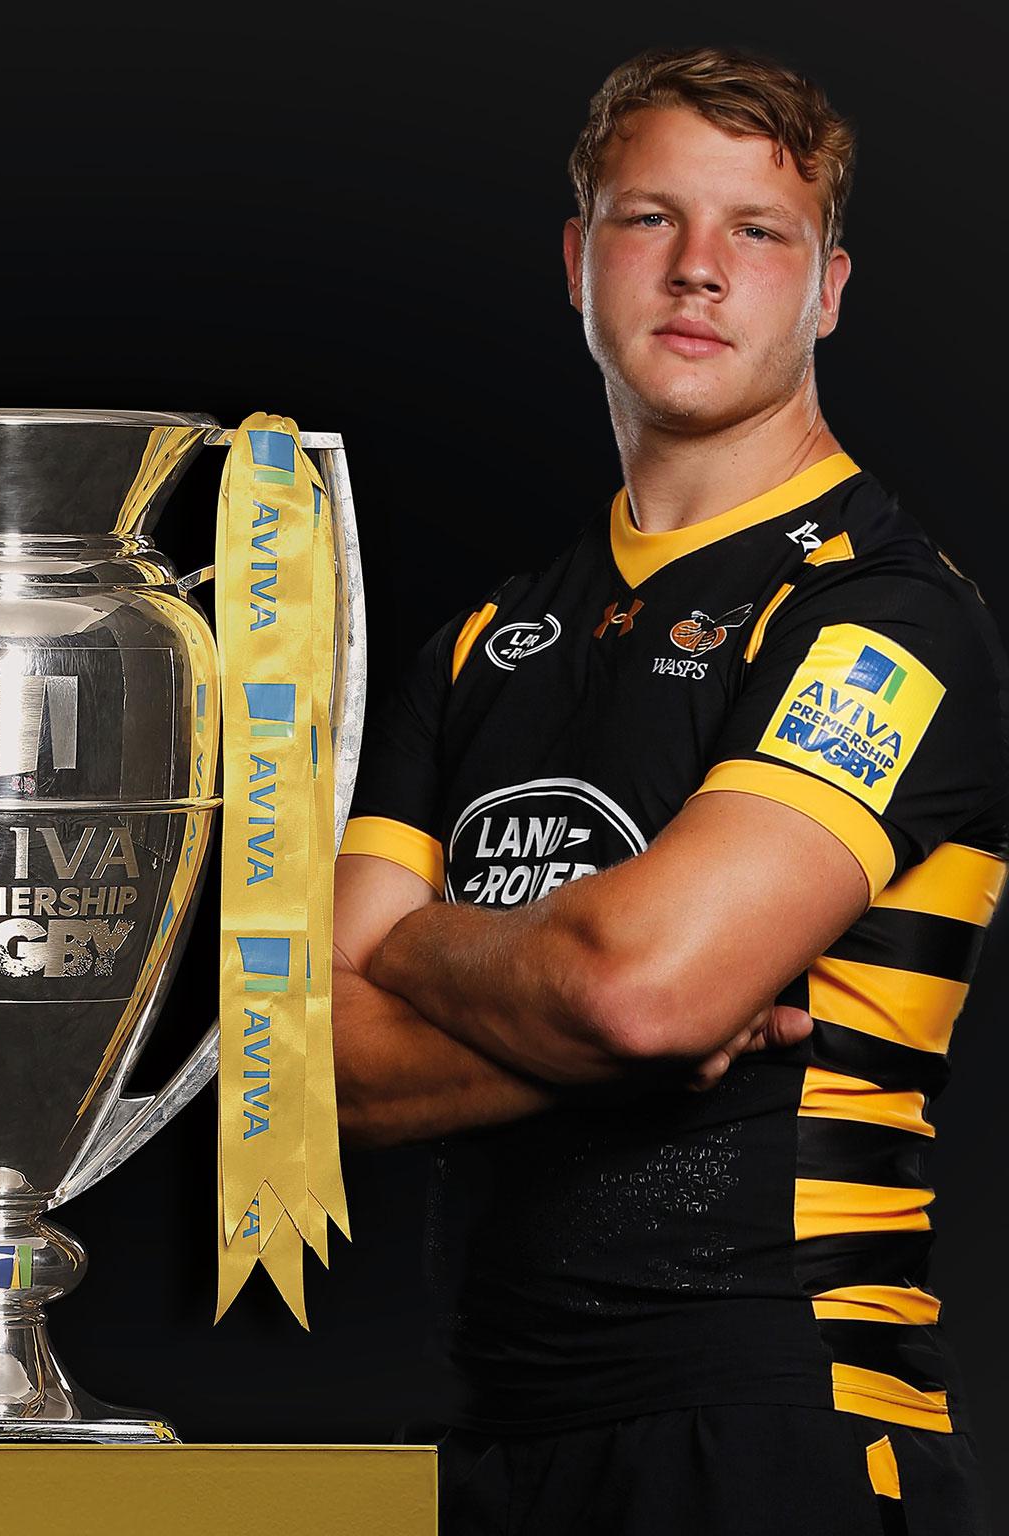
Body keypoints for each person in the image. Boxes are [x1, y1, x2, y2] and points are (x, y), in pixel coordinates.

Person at [332, 47, 1003, 1535]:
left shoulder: (884, 618)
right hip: (488, 1444)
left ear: (826, 287)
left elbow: (645, 989)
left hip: (785, 1428)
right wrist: (609, 1014)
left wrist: (419, 946)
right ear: (580, 261)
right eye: (650, 220)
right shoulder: (483, 641)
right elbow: (310, 1063)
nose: (699, 270)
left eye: (757, 233)